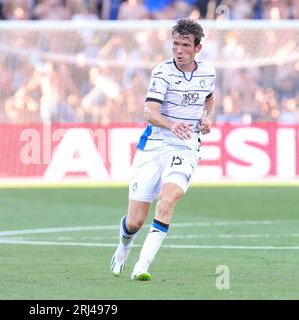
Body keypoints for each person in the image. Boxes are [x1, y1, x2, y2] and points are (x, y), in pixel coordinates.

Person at [110, 18, 216, 281]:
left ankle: (141, 267)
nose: (179, 50)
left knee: (167, 202)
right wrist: (171, 124)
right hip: (154, 146)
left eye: (185, 45)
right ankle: (124, 245)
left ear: (197, 49)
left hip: (185, 147)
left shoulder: (208, 73)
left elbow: (210, 98)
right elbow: (149, 112)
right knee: (135, 221)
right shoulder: (162, 72)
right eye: (176, 44)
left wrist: (206, 118)